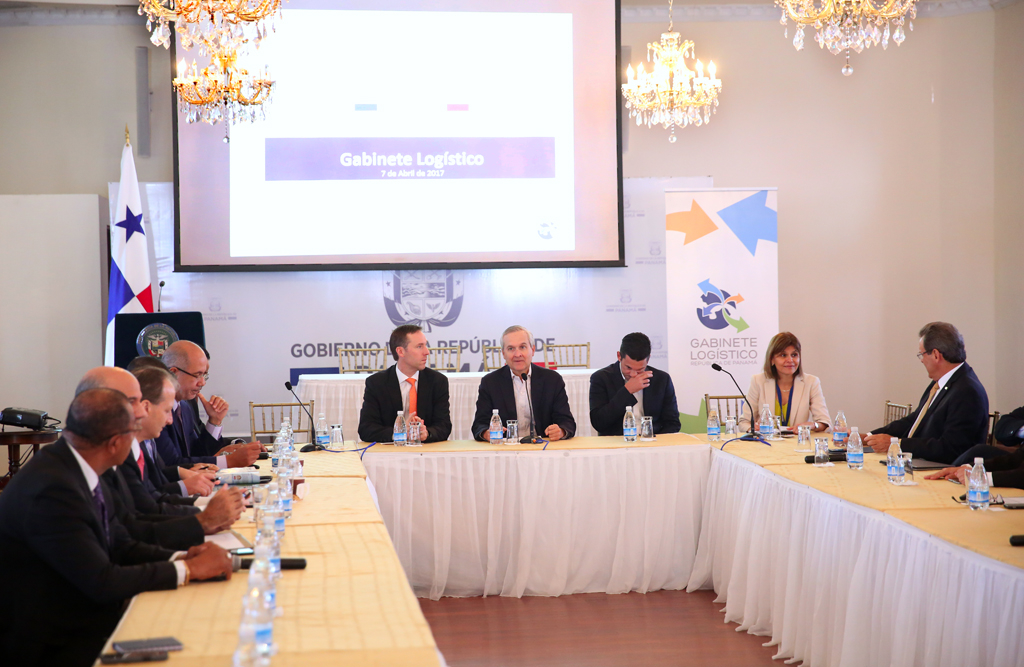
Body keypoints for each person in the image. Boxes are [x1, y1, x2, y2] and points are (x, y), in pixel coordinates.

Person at [0, 388, 233, 667]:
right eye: (132, 434)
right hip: (55, 643)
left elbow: (121, 543)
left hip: (84, 617)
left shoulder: (80, 463)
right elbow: (101, 580)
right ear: (114, 444)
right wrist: (188, 570)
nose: (136, 445)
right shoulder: (53, 489)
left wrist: (182, 557)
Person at [74, 367, 245, 548]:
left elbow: (133, 524)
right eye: (134, 403)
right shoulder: (73, 473)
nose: (141, 412)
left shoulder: (119, 452)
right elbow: (137, 524)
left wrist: (203, 523)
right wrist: (203, 520)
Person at [862, 322, 989, 464]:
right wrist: (869, 437)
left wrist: (898, 444)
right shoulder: (942, 382)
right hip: (922, 463)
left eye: (921, 354)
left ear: (935, 355)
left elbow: (951, 448)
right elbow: (915, 420)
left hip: (943, 470)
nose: (921, 360)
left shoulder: (967, 391)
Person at [156, 340, 260, 469]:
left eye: (204, 375)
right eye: (197, 375)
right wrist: (228, 461)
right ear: (173, 373)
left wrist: (214, 421)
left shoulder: (185, 406)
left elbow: (196, 454)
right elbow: (170, 464)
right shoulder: (156, 409)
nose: (202, 383)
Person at [471, 325, 576, 442]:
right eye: (511, 348)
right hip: (506, 447)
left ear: (533, 350)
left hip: (542, 446)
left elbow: (567, 422)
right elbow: (479, 424)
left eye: (522, 347)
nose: (517, 354)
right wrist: (486, 433)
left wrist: (560, 431)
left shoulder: (552, 380)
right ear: (503, 353)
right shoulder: (490, 382)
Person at [357, 324, 452, 443]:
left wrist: (427, 433)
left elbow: (444, 426)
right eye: (419, 346)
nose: (427, 352)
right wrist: (398, 432)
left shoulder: (437, 381)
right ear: (401, 351)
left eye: (426, 345)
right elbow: (366, 429)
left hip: (426, 450)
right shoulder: (377, 383)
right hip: (392, 451)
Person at [589, 332, 681, 436]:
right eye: (628, 368)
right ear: (619, 356)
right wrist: (627, 391)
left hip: (652, 440)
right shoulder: (601, 378)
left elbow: (673, 423)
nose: (633, 374)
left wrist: (653, 439)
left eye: (640, 369)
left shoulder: (661, 379)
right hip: (617, 440)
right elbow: (598, 423)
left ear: (648, 360)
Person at [739, 332, 831, 434]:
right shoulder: (758, 381)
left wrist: (813, 425)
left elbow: (825, 423)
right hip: (767, 441)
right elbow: (744, 422)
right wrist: (752, 429)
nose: (790, 360)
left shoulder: (811, 382)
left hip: (798, 441)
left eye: (794, 355)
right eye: (783, 355)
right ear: (772, 359)